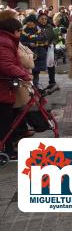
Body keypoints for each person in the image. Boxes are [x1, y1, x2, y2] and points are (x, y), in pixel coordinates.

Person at [0, 17, 32, 161]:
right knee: (4, 122)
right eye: (19, 31)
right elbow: (5, 65)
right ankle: (6, 151)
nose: (20, 34)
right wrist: (23, 74)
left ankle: (8, 148)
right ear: (14, 30)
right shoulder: (4, 42)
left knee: (7, 119)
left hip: (5, 88)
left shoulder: (6, 40)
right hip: (3, 89)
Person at [20, 14, 47, 90]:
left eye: (30, 22)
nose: (28, 23)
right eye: (27, 22)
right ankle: (29, 88)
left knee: (36, 72)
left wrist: (38, 44)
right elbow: (20, 42)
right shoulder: (23, 31)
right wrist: (29, 44)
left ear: (34, 22)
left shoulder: (40, 30)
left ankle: (35, 87)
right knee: (28, 72)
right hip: (27, 55)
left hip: (38, 54)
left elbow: (45, 41)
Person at [37, 12, 58, 91]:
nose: (44, 20)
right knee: (38, 66)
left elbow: (53, 37)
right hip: (39, 49)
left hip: (49, 49)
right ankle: (37, 84)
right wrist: (42, 43)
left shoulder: (49, 27)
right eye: (42, 19)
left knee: (51, 66)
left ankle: (52, 81)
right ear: (38, 19)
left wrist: (52, 43)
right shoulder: (36, 27)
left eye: (45, 19)